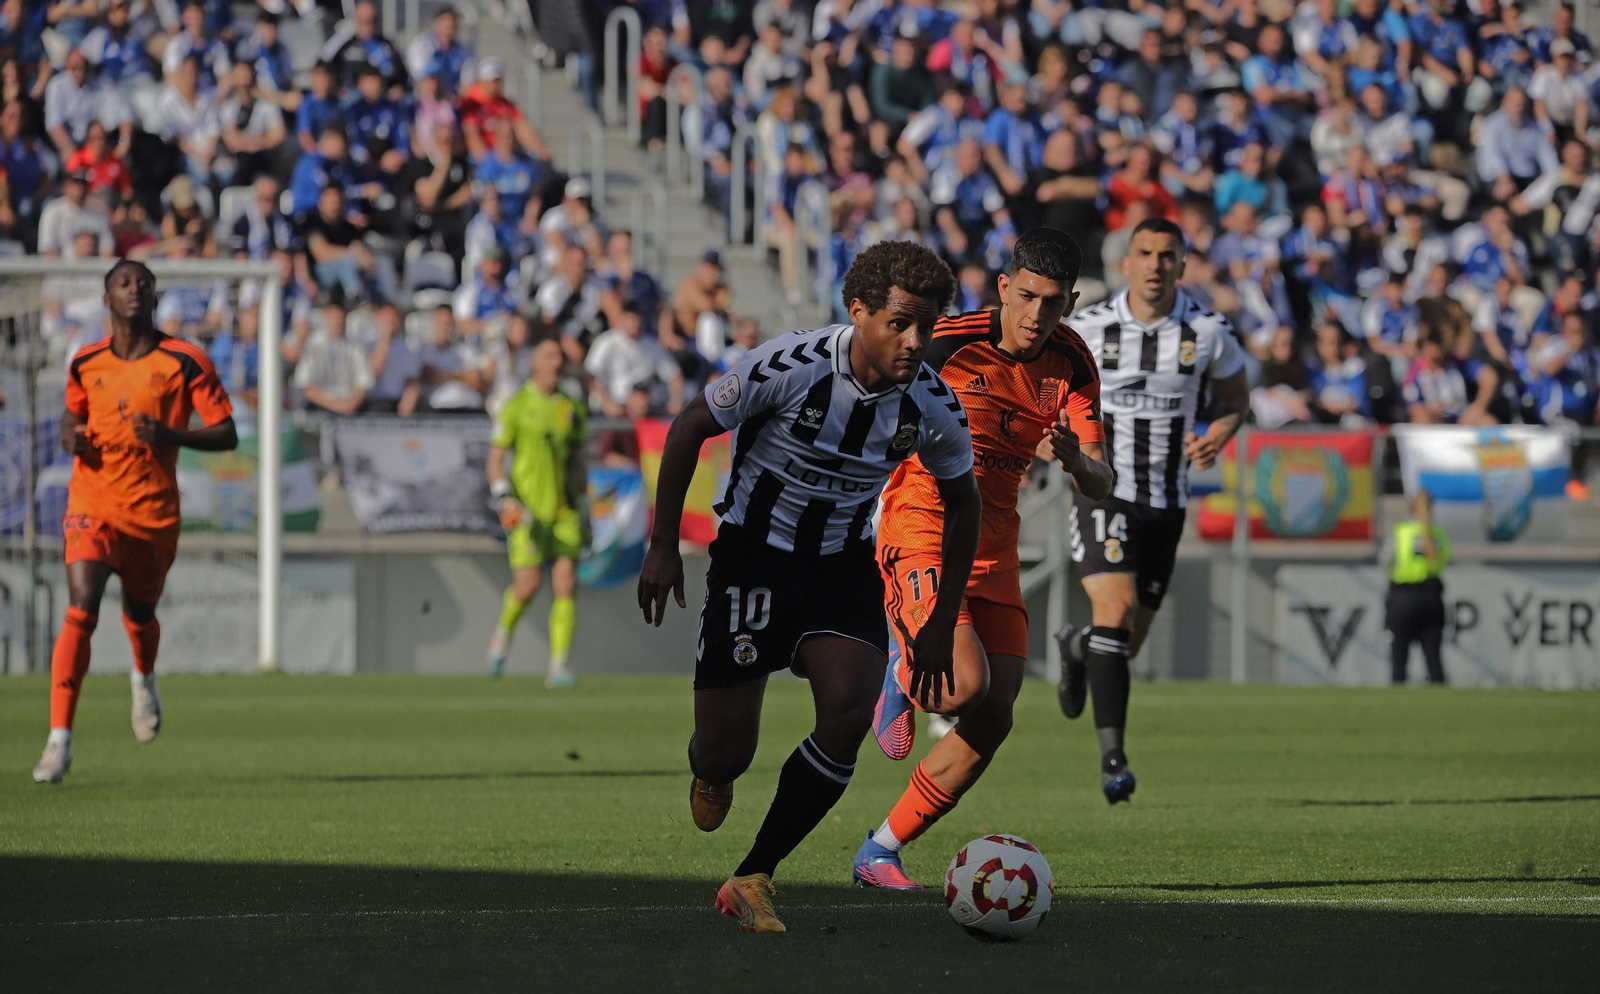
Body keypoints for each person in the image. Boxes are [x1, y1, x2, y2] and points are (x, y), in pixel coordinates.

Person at [636, 240, 980, 933]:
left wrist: (941, 620)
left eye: (928, 325)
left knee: (848, 714)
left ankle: (754, 873)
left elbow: (963, 502)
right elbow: (687, 430)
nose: (916, 341)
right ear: (859, 312)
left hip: (838, 564)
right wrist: (662, 547)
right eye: (900, 323)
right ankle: (712, 766)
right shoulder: (789, 366)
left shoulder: (932, 404)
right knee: (727, 750)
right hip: (752, 560)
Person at [854, 227, 1114, 889]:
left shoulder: (1074, 365)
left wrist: (1077, 459)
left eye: (1052, 303)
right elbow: (868, 391)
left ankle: (879, 851)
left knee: (993, 714)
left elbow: (1103, 480)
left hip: (993, 545)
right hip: (919, 524)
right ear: (1004, 286)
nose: (1036, 315)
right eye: (1026, 296)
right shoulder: (946, 341)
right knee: (963, 684)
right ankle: (901, 663)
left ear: (1071, 304)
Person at [1055, 217, 1250, 803]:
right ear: (1126, 261)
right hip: (1104, 490)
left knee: (1124, 641)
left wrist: (1220, 431)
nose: (1155, 265)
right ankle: (1114, 760)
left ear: (1182, 264)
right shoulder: (1087, 328)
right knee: (1115, 612)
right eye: (1145, 253)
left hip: (1167, 504)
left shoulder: (1209, 331)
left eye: (1167, 255)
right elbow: (1046, 387)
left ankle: (1074, 645)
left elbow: (1237, 400)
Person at [33, 260, 238, 783]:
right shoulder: (85, 361)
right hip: (92, 504)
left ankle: (143, 678)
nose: (134, 290)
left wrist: (171, 436)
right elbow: (71, 414)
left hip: (152, 515)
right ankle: (59, 740)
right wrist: (68, 437)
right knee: (81, 608)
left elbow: (226, 433)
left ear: (153, 296)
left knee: (140, 615)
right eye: (123, 283)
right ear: (107, 298)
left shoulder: (185, 360)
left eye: (143, 283)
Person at [486, 340, 587, 685]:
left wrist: (583, 501)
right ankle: (500, 639)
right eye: (550, 355)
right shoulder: (517, 406)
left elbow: (577, 458)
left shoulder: (570, 407)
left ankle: (558, 665)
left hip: (564, 512)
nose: (558, 362)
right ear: (535, 363)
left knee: (567, 583)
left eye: (560, 356)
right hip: (528, 512)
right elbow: (496, 460)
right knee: (527, 586)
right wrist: (504, 498)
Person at [1383, 490, 1450, 685]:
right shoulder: (1439, 534)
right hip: (1431, 598)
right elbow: (1444, 561)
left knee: (1399, 657)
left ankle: (1397, 703)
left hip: (1403, 598)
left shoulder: (1401, 532)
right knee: (1433, 658)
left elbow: (1387, 560)